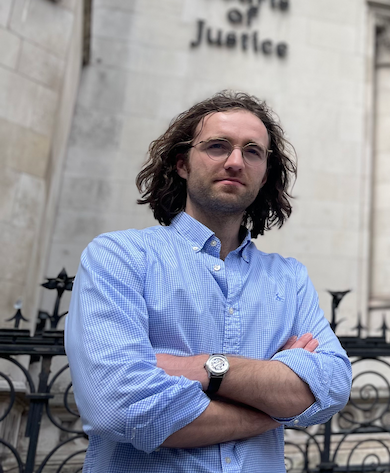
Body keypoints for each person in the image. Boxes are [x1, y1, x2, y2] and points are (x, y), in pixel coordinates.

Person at [65, 91, 352, 472]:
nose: (235, 162)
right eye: (217, 146)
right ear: (182, 163)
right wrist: (275, 405)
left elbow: (332, 387)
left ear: (265, 173)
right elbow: (121, 408)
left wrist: (206, 368)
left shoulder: (289, 277)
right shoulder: (119, 257)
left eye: (253, 151)